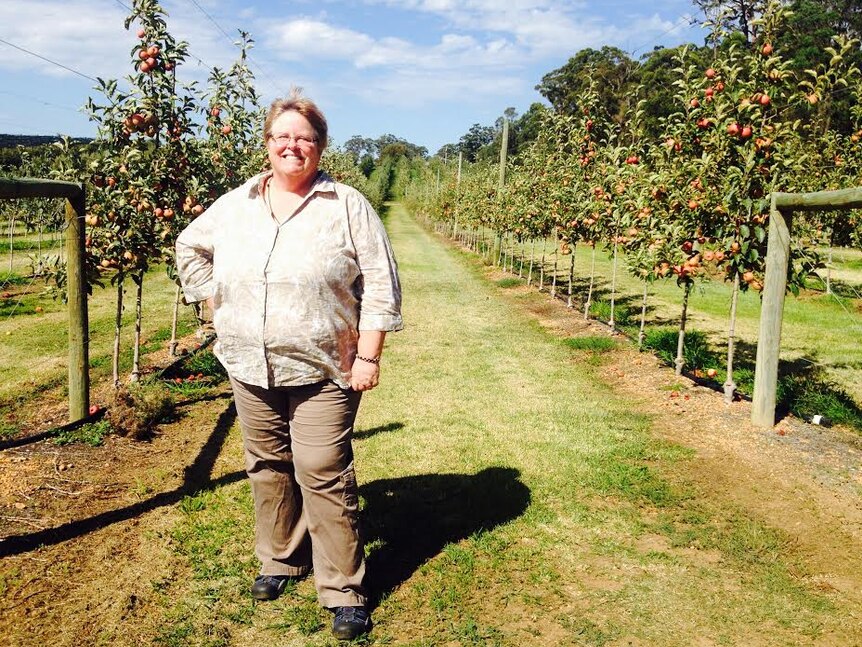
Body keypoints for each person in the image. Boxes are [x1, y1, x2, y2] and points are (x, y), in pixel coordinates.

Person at [175, 91, 403, 640]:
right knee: (267, 464)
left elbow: (379, 283)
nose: (292, 146)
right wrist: (214, 298)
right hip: (249, 363)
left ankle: (343, 589)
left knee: (322, 469)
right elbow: (189, 245)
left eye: (304, 138)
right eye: (283, 137)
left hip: (327, 367)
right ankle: (281, 559)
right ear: (268, 144)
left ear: (320, 147)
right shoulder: (236, 204)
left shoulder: (346, 205)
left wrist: (369, 354)